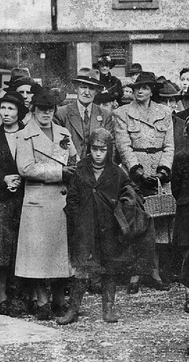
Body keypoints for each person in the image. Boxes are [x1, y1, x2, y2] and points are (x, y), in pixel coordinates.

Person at [57, 129, 154, 325]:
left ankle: (108, 309)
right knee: (82, 268)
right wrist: (77, 219)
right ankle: (73, 310)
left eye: (103, 150)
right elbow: (72, 198)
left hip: (109, 228)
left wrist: (125, 208)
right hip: (85, 228)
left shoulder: (117, 172)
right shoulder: (80, 170)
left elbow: (132, 192)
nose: (98, 154)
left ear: (109, 150)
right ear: (89, 149)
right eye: (95, 149)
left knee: (110, 267)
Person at [15, 87, 77, 320]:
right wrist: (59, 172)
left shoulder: (63, 133)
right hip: (38, 199)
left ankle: (59, 299)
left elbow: (74, 158)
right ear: (33, 110)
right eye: (42, 109)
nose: (46, 113)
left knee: (60, 253)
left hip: (61, 199)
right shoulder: (24, 135)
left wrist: (73, 168)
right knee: (38, 254)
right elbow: (26, 168)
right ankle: (42, 300)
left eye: (50, 109)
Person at [114, 71, 174, 293]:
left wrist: (163, 170)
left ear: (152, 91)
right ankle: (135, 274)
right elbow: (123, 145)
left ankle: (154, 272)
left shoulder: (164, 112)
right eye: (137, 87)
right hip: (134, 173)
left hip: (158, 174)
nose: (140, 91)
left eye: (145, 87)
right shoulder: (122, 113)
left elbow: (169, 145)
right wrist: (136, 171)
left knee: (158, 223)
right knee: (135, 221)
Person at [0, 91, 28, 315]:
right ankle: (1, 297)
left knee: (21, 247)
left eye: (11, 109)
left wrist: (20, 179)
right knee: (0, 249)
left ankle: (19, 295)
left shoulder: (28, 134)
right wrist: (3, 178)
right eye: (3, 108)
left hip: (24, 197)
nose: (6, 113)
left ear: (19, 112)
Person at [54, 68, 113, 159]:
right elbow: (58, 146)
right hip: (71, 165)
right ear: (76, 88)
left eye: (91, 88)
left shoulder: (105, 115)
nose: (87, 93)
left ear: (96, 91)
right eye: (83, 87)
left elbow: (110, 146)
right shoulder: (61, 113)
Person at [172, 117, 189, 312]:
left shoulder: (181, 155)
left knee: (186, 251)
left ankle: (188, 294)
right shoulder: (182, 155)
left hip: (185, 206)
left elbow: (175, 187)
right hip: (185, 207)